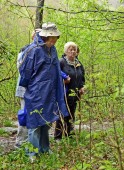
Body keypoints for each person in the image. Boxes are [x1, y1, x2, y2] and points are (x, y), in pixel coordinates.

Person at [18, 22, 69, 159]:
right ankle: (32, 153)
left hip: (50, 93)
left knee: (46, 122)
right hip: (36, 93)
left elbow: (56, 70)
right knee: (34, 123)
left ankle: (45, 149)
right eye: (51, 39)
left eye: (55, 39)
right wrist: (28, 89)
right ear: (45, 37)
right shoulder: (33, 50)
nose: (53, 41)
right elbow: (25, 72)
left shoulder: (53, 50)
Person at [14, 29, 41, 148]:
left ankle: (33, 142)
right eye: (37, 36)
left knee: (37, 116)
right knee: (24, 115)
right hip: (25, 89)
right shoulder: (26, 50)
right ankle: (20, 142)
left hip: (38, 91)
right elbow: (22, 68)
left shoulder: (44, 52)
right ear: (33, 37)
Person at [54, 42, 85, 140]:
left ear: (76, 52)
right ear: (65, 51)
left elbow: (82, 78)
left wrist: (82, 87)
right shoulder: (61, 62)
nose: (72, 51)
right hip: (63, 93)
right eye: (70, 49)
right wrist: (64, 81)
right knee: (61, 115)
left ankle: (69, 135)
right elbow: (55, 76)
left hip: (75, 94)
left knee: (71, 115)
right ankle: (58, 137)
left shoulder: (78, 64)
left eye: (74, 49)